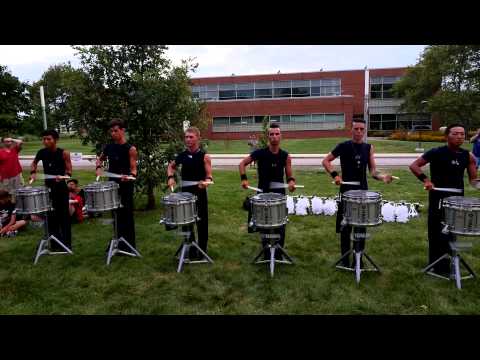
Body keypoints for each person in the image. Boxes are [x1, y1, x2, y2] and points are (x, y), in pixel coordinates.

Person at [322, 119, 393, 268]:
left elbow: (373, 171)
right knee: (345, 226)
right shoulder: (343, 146)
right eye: (356, 129)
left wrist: (382, 177)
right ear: (351, 130)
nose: (359, 132)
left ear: (364, 130)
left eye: (362, 129)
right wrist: (335, 176)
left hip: (362, 193)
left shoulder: (369, 148)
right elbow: (326, 161)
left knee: (361, 227)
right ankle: (345, 260)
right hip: (346, 191)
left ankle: (358, 259)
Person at [409, 123, 478, 276]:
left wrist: (478, 184)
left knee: (452, 230)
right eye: (456, 133)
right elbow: (414, 166)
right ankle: (435, 265)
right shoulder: (436, 152)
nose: (460, 136)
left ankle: (450, 263)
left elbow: (473, 180)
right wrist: (426, 180)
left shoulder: (468, 156)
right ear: (447, 136)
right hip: (438, 197)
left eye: (462, 134)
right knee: (436, 231)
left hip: (457, 198)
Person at [239, 122, 296, 259]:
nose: (274, 137)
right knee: (264, 224)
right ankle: (266, 251)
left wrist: (291, 183)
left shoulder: (285, 156)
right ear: (268, 136)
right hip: (263, 193)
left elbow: (289, 176)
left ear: (281, 136)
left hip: (279, 195)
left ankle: (278, 252)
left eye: (277, 134)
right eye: (272, 134)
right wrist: (244, 179)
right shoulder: (260, 153)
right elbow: (242, 164)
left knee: (280, 225)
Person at [167, 127, 213, 260]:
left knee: (202, 222)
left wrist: (206, 182)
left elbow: (210, 176)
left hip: (200, 193)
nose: (188, 139)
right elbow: (171, 166)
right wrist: (170, 177)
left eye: (191, 137)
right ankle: (191, 249)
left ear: (198, 138)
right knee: (187, 222)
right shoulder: (182, 155)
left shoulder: (204, 156)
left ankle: (202, 251)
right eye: (186, 137)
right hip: (185, 193)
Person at [96, 119, 138, 252]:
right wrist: (98, 167)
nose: (113, 133)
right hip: (112, 184)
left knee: (126, 214)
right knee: (115, 214)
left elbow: (134, 169)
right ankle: (117, 241)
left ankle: (129, 246)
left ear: (122, 130)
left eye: (115, 131)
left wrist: (130, 176)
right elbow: (100, 159)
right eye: (111, 131)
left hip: (126, 185)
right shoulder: (109, 147)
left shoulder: (130, 149)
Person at [29, 129, 72, 250]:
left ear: (56, 140)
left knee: (63, 216)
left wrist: (62, 176)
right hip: (48, 189)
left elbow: (69, 172)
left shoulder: (64, 153)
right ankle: (55, 243)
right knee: (51, 216)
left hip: (61, 188)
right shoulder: (41, 152)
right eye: (44, 139)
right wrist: (33, 172)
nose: (45, 141)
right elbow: (34, 163)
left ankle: (67, 244)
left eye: (48, 139)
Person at [0, 137, 24, 202]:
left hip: (17, 174)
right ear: (3, 143)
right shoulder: (0, 152)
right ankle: (7, 209)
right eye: (7, 141)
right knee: (6, 195)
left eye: (10, 141)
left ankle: (17, 208)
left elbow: (20, 142)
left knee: (18, 193)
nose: (9, 142)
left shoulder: (15, 149)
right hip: (6, 177)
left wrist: (12, 139)